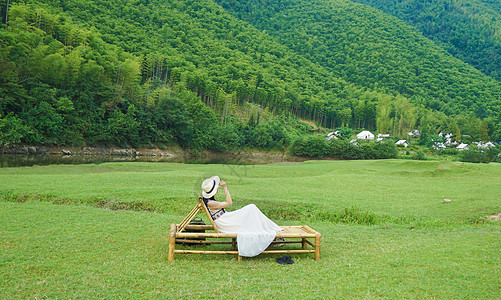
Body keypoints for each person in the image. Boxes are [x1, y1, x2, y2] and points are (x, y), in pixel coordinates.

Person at [201, 175, 282, 257]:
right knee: (251, 208)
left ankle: (268, 230)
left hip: (226, 219)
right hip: (226, 223)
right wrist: (225, 188)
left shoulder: (209, 201)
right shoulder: (211, 203)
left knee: (251, 208)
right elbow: (229, 203)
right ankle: (269, 233)